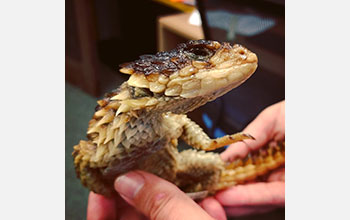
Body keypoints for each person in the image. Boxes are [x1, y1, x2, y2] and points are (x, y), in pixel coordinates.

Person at [87, 101, 285, 220]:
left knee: (215, 166)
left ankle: (195, 191)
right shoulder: (119, 126)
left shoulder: (166, 118)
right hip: (132, 182)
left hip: (176, 167)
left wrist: (208, 144)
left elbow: (180, 123)